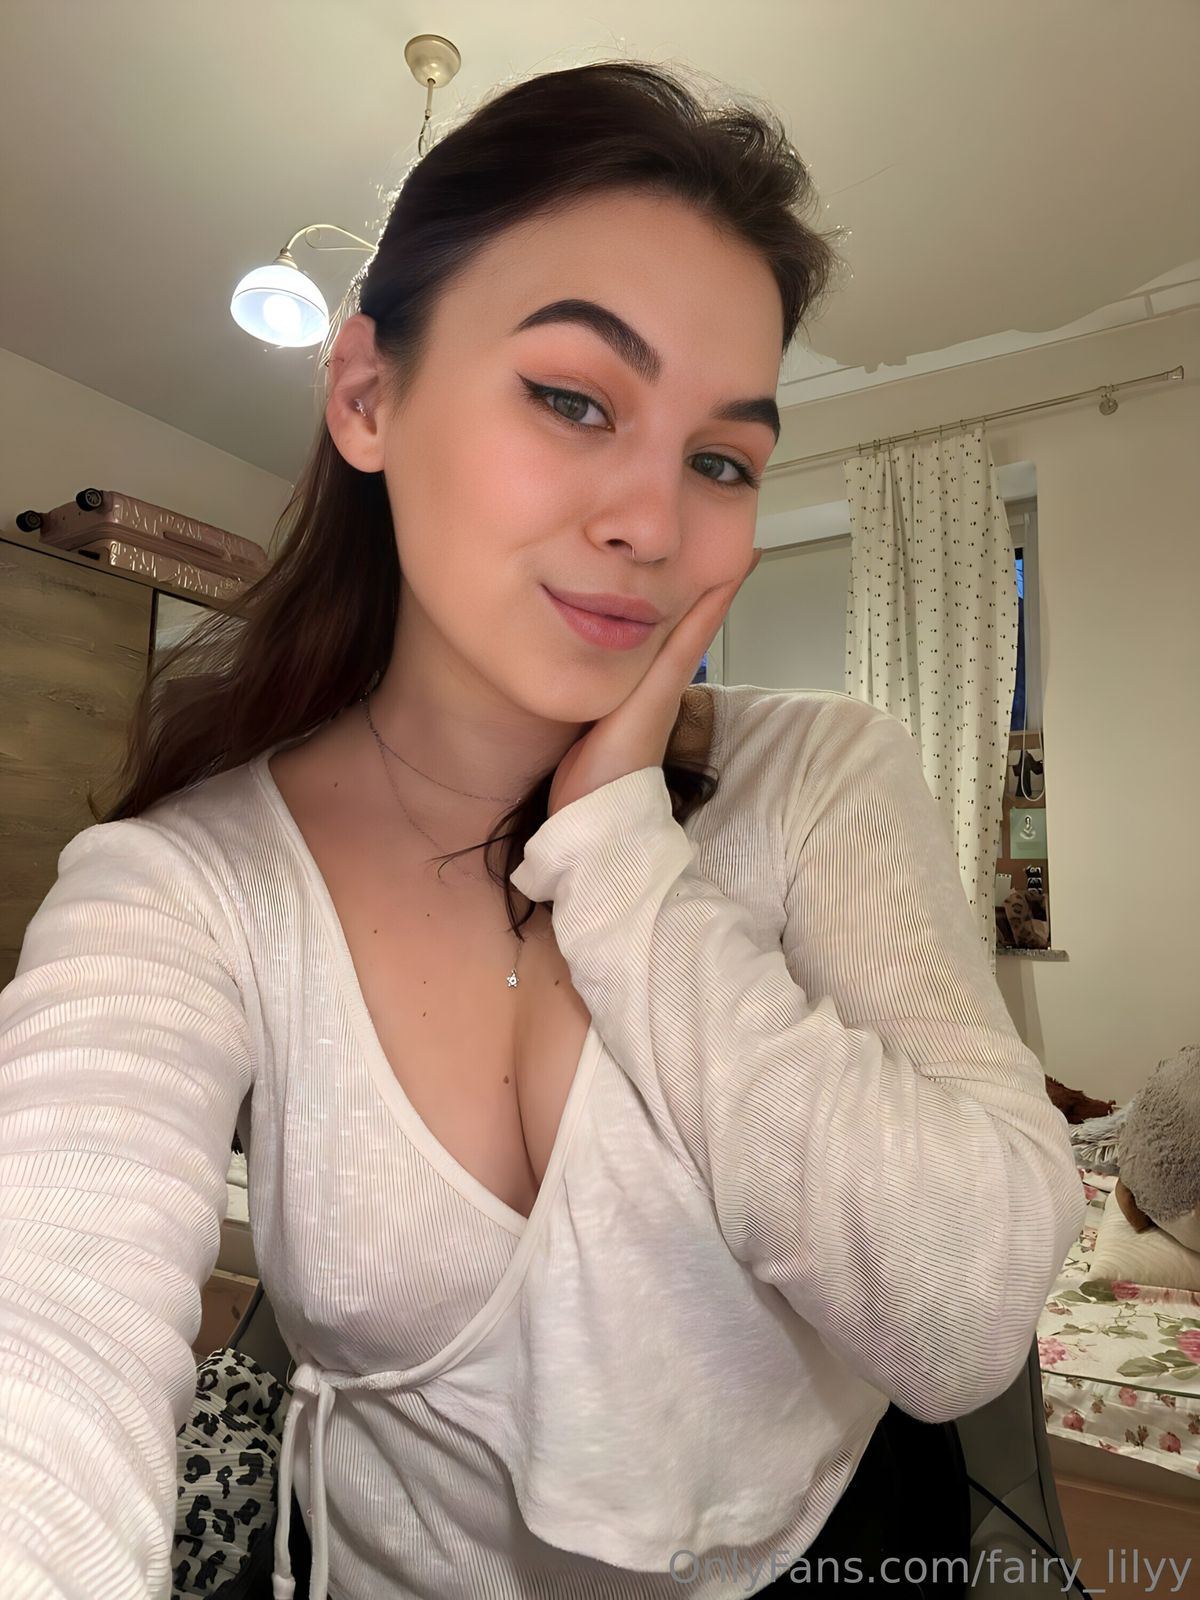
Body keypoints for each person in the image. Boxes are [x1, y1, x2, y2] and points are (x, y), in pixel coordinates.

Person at [0, 59, 1085, 1600]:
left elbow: (968, 1315)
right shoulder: (188, 889)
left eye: (721, 459)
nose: (653, 520)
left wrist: (627, 859)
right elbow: (40, 1337)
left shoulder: (819, 776)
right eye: (574, 400)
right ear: (368, 396)